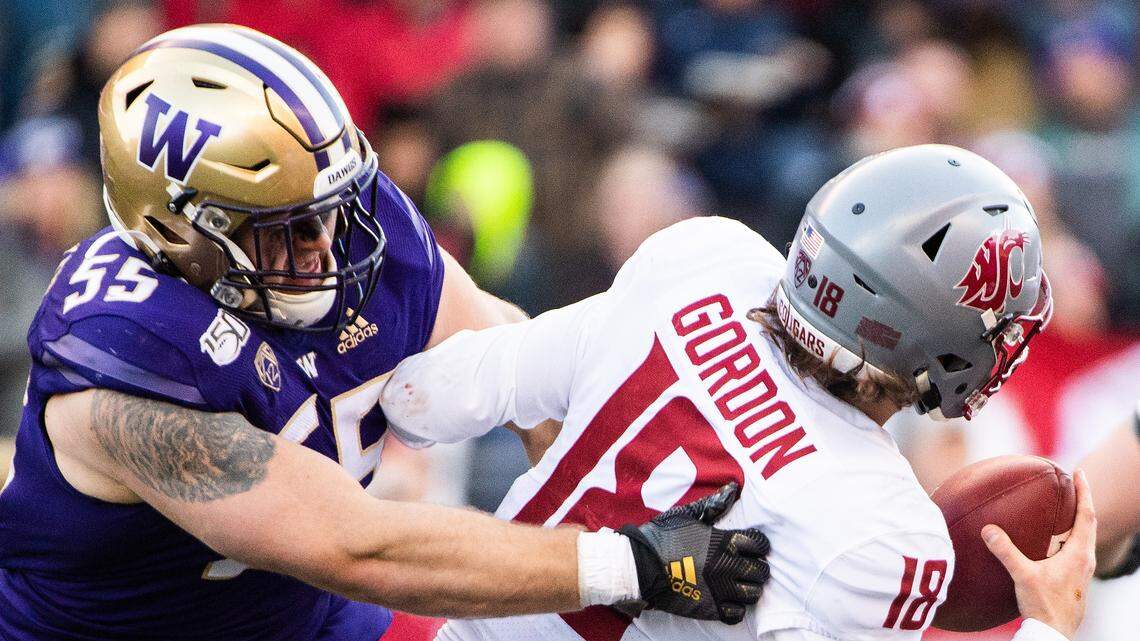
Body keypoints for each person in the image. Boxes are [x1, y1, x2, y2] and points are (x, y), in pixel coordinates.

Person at [0, 25, 771, 640]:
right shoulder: (122, 353)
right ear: (182, 234)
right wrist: (630, 562)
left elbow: (512, 366)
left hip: (308, 615)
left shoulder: (348, 214)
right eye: (289, 229)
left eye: (331, 209)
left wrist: (634, 499)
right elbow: (357, 545)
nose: (329, 245)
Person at [380, 144, 1094, 640]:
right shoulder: (881, 528)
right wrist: (1049, 623)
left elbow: (426, 397)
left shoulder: (708, 257)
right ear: (933, 331)